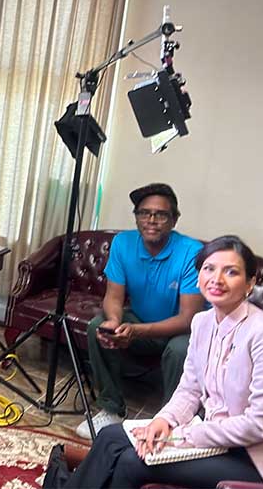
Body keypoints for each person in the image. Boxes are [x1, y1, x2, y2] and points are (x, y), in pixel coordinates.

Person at [63, 236, 263, 488]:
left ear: (250, 283)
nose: (217, 279)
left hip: (258, 458)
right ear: (199, 277)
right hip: (216, 440)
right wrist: (163, 421)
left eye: (231, 272)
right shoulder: (203, 323)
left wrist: (184, 435)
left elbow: (260, 425)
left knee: (133, 461)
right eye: (209, 269)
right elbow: (189, 390)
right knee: (110, 437)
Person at [78, 183, 205, 439]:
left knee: (181, 349)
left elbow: (188, 319)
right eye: (144, 213)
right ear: (136, 216)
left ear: (174, 220)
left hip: (182, 331)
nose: (151, 220)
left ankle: (174, 422)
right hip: (141, 321)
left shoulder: (192, 252)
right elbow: (113, 296)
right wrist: (115, 322)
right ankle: (111, 408)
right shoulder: (123, 243)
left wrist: (135, 331)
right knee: (98, 326)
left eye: (161, 215)